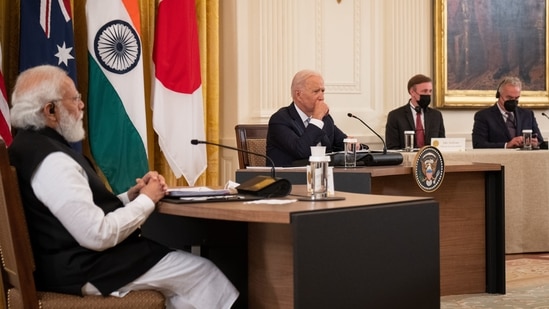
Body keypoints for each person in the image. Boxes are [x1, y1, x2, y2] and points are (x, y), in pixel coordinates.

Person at [7, 65, 238, 309]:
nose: (82, 106)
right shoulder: (54, 160)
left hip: (60, 266)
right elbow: (97, 234)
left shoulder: (24, 149)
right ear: (50, 110)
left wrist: (130, 197)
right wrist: (147, 200)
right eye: (75, 99)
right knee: (203, 274)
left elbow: (66, 214)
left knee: (181, 264)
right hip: (83, 270)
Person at [266, 69, 352, 166]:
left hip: (323, 176)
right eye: (316, 91)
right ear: (298, 95)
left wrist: (353, 146)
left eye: (322, 91)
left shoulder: (325, 119)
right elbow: (302, 151)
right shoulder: (280, 120)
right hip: (291, 178)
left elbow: (342, 143)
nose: (322, 97)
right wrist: (316, 119)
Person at [472, 76, 544, 149]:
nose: (513, 101)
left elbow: (540, 141)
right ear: (499, 95)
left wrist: (535, 143)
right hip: (497, 159)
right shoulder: (483, 116)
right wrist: (507, 145)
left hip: (524, 159)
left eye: (516, 98)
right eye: (509, 98)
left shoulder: (527, 114)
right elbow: (478, 144)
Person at [385, 74, 446, 150]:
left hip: (431, 159)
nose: (428, 94)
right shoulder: (395, 116)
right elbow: (392, 148)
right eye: (424, 91)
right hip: (406, 160)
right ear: (412, 92)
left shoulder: (436, 115)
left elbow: (442, 144)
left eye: (430, 91)